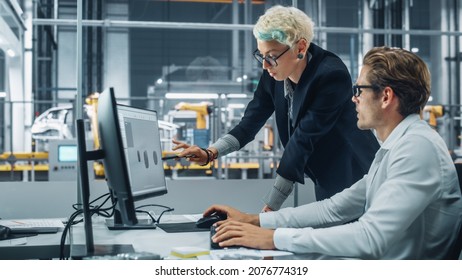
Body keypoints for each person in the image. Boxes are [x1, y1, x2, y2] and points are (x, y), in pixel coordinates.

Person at [203, 46, 462, 259]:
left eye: (359, 90)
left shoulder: (417, 148)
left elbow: (371, 237)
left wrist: (273, 238)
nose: (353, 99)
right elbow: (335, 209)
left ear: (385, 97)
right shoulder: (397, 147)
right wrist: (256, 221)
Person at [172, 5, 379, 211]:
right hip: (324, 173)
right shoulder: (274, 74)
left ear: (300, 48)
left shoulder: (330, 76)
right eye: (261, 55)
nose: (265, 65)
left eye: (270, 56)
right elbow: (250, 122)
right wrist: (210, 153)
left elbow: (302, 140)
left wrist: (270, 208)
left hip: (354, 173)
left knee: (348, 237)